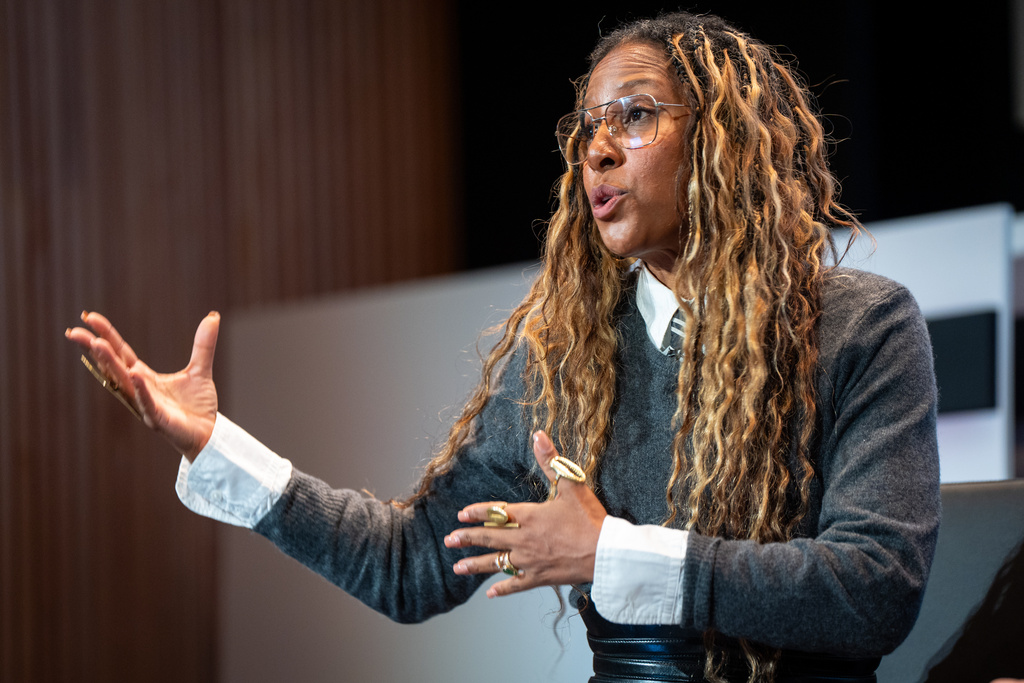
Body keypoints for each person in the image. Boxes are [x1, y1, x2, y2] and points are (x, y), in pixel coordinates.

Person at [66, 11, 940, 683]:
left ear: (719, 138)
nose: (596, 150)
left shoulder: (860, 325)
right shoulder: (566, 360)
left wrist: (610, 553)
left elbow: (873, 588)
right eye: (587, 127)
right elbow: (409, 565)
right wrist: (219, 447)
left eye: (634, 116)